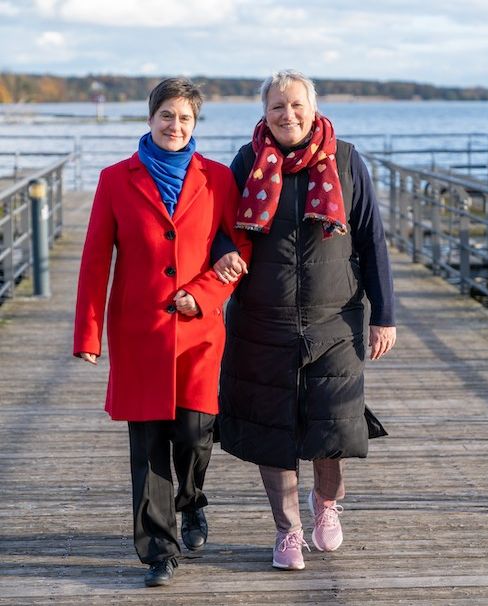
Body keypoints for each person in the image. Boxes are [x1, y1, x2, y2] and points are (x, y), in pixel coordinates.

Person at [73, 78, 251, 587]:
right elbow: (93, 261)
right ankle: (157, 551)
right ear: (150, 118)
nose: (176, 126)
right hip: (139, 331)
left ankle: (192, 500)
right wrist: (89, 334)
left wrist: (204, 295)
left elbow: (239, 253)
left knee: (196, 434)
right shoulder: (114, 179)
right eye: (167, 115)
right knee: (148, 443)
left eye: (186, 118)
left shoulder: (217, 179)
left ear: (196, 124)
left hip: (198, 331)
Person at [215, 70, 396, 571]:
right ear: (264, 112)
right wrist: (226, 250)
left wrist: (385, 315)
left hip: (334, 318)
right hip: (262, 319)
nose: (287, 115)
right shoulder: (247, 161)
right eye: (277, 107)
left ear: (312, 108)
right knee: (273, 429)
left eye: (296, 105)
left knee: (331, 425)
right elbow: (219, 228)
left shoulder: (345, 159)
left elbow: (371, 239)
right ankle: (287, 531)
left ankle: (328, 503)